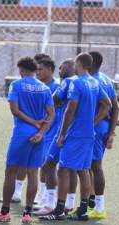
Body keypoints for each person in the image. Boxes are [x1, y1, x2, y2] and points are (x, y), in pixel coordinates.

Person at [40, 52, 111, 221]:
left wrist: (63, 133)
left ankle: (58, 210)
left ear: (78, 64)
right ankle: (83, 209)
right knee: (83, 170)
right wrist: (92, 122)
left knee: (63, 170)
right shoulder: (94, 82)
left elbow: (70, 109)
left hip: (73, 134)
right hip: (88, 134)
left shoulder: (75, 83)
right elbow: (107, 104)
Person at [0, 56, 55, 223]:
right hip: (39, 135)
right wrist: (41, 131)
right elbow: (51, 114)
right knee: (33, 173)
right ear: (35, 70)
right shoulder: (44, 88)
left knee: (10, 171)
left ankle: (5, 212)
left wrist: (32, 122)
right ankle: (27, 214)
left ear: (22, 70)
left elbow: (15, 110)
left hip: (21, 133)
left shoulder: (16, 85)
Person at [34, 59, 78, 216]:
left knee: (49, 166)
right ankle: (68, 204)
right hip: (75, 133)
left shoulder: (66, 83)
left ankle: (50, 204)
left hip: (62, 133)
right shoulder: (86, 83)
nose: (60, 69)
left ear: (74, 67)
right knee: (72, 169)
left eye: (63, 67)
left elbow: (52, 101)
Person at [88, 51, 119, 219]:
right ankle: (92, 203)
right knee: (91, 166)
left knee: (95, 166)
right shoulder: (106, 79)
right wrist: (112, 130)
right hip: (103, 128)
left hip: (94, 128)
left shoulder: (93, 81)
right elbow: (116, 107)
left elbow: (107, 107)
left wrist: (94, 124)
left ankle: (99, 207)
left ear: (90, 64)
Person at [34, 58, 60, 209]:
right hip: (44, 131)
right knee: (43, 165)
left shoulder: (56, 86)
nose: (38, 72)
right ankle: (43, 195)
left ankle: (51, 198)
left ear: (50, 70)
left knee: (49, 165)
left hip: (53, 131)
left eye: (41, 69)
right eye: (37, 70)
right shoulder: (41, 86)